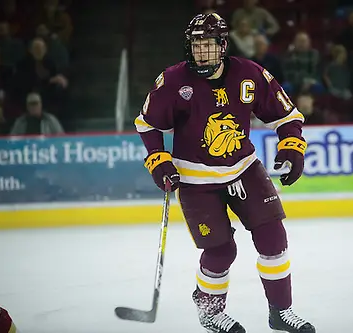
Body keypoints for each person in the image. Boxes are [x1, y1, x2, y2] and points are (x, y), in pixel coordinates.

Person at [134, 13, 315, 333]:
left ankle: (281, 312)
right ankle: (209, 311)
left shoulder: (249, 74)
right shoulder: (174, 81)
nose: (201, 51)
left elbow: (287, 115)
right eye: (196, 45)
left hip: (245, 170)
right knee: (221, 251)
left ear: (222, 45)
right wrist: (159, 160)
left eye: (207, 44)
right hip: (196, 181)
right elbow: (147, 123)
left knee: (273, 237)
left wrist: (292, 145)